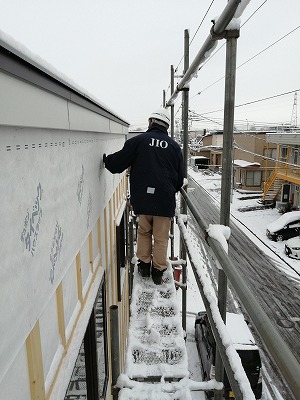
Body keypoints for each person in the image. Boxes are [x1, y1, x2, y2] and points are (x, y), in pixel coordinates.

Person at [103, 108, 184, 284]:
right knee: (161, 238)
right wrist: (168, 190)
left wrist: (106, 160)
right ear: (167, 126)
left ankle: (144, 265)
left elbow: (118, 162)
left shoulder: (139, 141)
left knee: (144, 231)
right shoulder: (174, 147)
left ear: (150, 122)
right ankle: (158, 271)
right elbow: (180, 180)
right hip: (164, 201)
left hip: (143, 199)